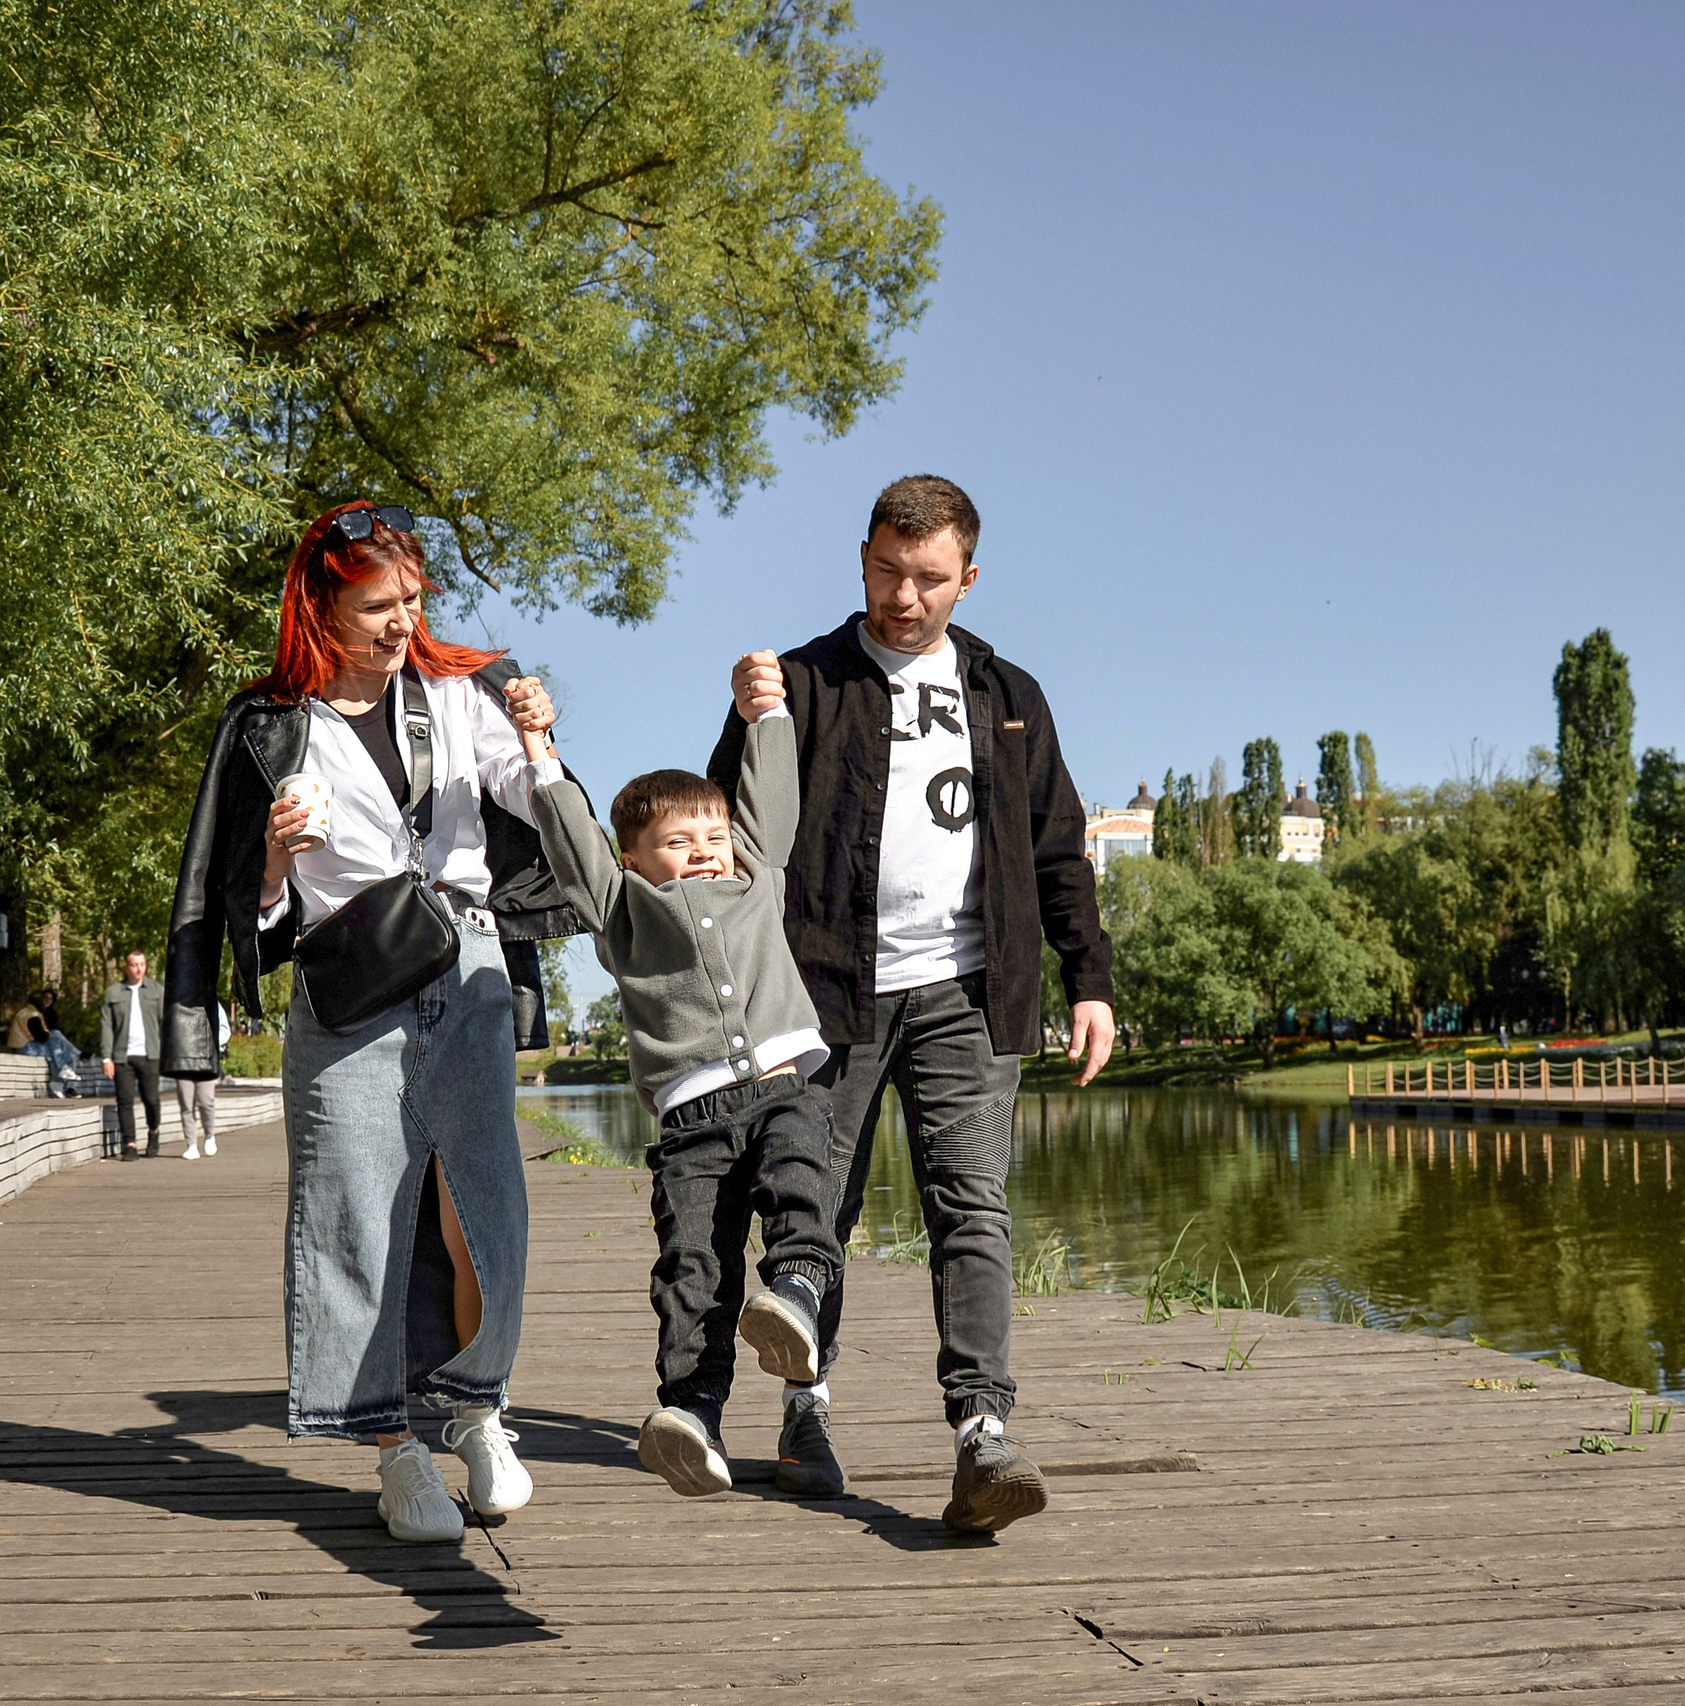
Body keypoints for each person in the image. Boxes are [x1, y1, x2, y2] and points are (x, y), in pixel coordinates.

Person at [161, 501, 580, 1545]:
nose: (402, 624)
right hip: (347, 985)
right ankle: (394, 1450)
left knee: (484, 1212)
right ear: (322, 606)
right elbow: (250, 910)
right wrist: (271, 855)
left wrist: (538, 741)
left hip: (468, 970)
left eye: (412, 601)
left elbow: (535, 810)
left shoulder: (462, 690)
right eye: (377, 606)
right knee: (353, 1219)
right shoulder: (270, 724)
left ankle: (477, 1412)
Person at [707, 474, 1116, 1535]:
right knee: (814, 1207)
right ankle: (805, 1412)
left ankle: (983, 1432)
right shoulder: (801, 681)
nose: (903, 597)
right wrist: (751, 725)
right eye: (887, 571)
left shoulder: (1009, 693)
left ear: (967, 579)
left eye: (929, 578)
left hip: (969, 991)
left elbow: (1058, 848)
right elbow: (724, 839)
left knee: (971, 1206)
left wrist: (1091, 980)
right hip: (823, 992)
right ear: (861, 559)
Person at [507, 663, 843, 1498]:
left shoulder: (757, 876)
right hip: (693, 1123)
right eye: (678, 843)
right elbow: (573, 846)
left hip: (784, 1090)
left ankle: (796, 1292)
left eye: (713, 838)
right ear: (632, 859)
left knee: (802, 1192)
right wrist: (538, 748)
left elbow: (771, 802)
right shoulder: (621, 909)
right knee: (693, 1266)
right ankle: (693, 1413)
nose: (703, 852)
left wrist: (765, 714)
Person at [99, 950, 165, 1158]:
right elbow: (107, 1026)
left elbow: (166, 1024)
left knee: (151, 1099)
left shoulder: (157, 991)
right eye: (134, 965)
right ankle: (130, 1144)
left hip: (150, 1054)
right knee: (124, 1101)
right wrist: (106, 1057)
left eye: (142, 964)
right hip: (122, 1056)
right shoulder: (114, 993)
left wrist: (167, 1053)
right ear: (126, 967)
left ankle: (153, 1132)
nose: (138, 969)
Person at [174, 1001, 231, 1160]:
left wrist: (211, 1042)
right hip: (183, 1059)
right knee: (186, 1103)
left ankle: (209, 1135)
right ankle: (191, 1145)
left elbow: (225, 1030)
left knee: (206, 1100)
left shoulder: (212, 1003)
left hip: (206, 1058)